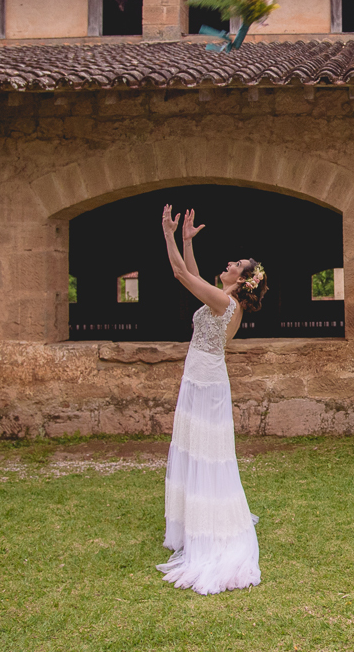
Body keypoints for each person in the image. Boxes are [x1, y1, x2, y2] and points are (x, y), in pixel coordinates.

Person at [157, 204, 267, 594]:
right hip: (199, 380)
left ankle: (210, 526)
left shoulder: (226, 304)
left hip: (206, 386)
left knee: (206, 454)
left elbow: (181, 275)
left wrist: (168, 234)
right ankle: (195, 521)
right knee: (194, 451)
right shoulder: (220, 298)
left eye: (236, 263)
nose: (229, 263)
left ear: (243, 278)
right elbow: (194, 275)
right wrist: (188, 241)